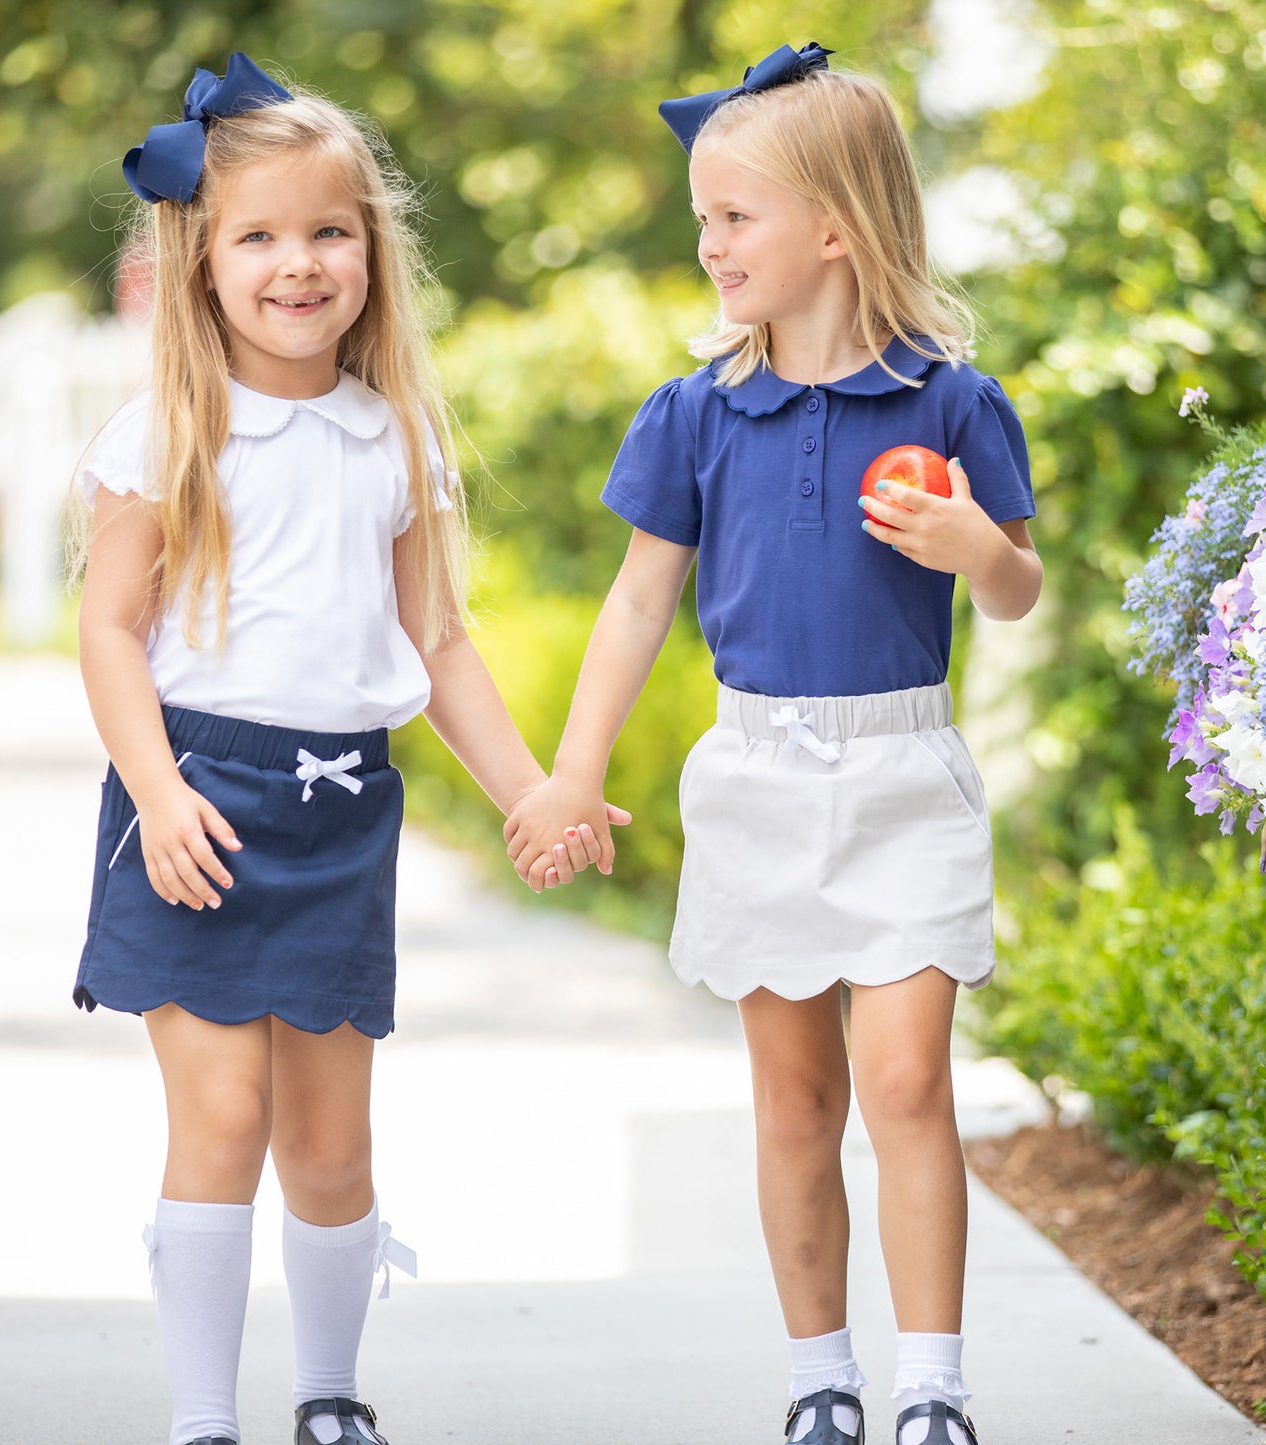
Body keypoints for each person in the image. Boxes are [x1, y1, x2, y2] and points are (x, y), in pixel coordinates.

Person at [70, 53, 618, 1445]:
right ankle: (204, 1416)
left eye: (327, 230)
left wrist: (531, 790)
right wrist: (156, 787)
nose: (296, 262)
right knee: (224, 1112)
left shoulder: (395, 440)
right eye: (255, 235)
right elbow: (110, 634)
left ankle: (329, 1395)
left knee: (329, 1141)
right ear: (200, 261)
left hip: (334, 812)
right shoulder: (164, 436)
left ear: (370, 249)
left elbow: (436, 648)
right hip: (190, 801)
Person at [504, 41, 1041, 1445]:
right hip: (754, 775)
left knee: (909, 1080)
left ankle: (932, 1386)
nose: (708, 243)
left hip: (901, 772)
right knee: (794, 1098)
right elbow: (635, 603)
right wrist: (571, 768)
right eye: (703, 218)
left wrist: (974, 540)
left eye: (732, 217)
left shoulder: (950, 401)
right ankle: (823, 1378)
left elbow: (1015, 585)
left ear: (833, 227)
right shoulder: (693, 410)